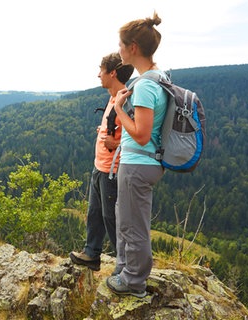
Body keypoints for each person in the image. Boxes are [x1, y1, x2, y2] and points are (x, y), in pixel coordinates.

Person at [105, 11, 168, 298]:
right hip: (145, 164)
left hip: (138, 164)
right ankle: (125, 269)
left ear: (133, 48)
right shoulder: (158, 78)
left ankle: (133, 281)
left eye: (120, 45)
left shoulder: (144, 85)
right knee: (126, 218)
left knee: (133, 225)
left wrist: (118, 109)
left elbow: (141, 134)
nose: (118, 50)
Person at [70, 53, 134, 273]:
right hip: (100, 167)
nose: (98, 74)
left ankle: (125, 266)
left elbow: (138, 137)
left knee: (112, 218)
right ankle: (91, 254)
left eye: (101, 69)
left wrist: (114, 142)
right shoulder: (112, 97)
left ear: (112, 72)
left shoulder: (125, 99)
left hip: (112, 172)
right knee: (95, 213)